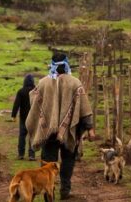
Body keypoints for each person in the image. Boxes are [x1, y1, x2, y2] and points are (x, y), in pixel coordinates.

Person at [26, 53, 95, 200]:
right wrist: (90, 128)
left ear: (52, 65)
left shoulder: (43, 82)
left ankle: (47, 193)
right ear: (67, 64)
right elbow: (84, 108)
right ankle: (65, 190)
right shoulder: (75, 83)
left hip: (48, 132)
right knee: (68, 159)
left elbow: (34, 100)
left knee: (47, 164)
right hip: (69, 131)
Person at [11, 74, 36, 161]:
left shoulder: (21, 91)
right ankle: (31, 155)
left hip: (23, 118)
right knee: (32, 136)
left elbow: (16, 104)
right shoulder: (36, 91)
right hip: (33, 118)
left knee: (22, 136)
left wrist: (13, 115)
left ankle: (21, 154)